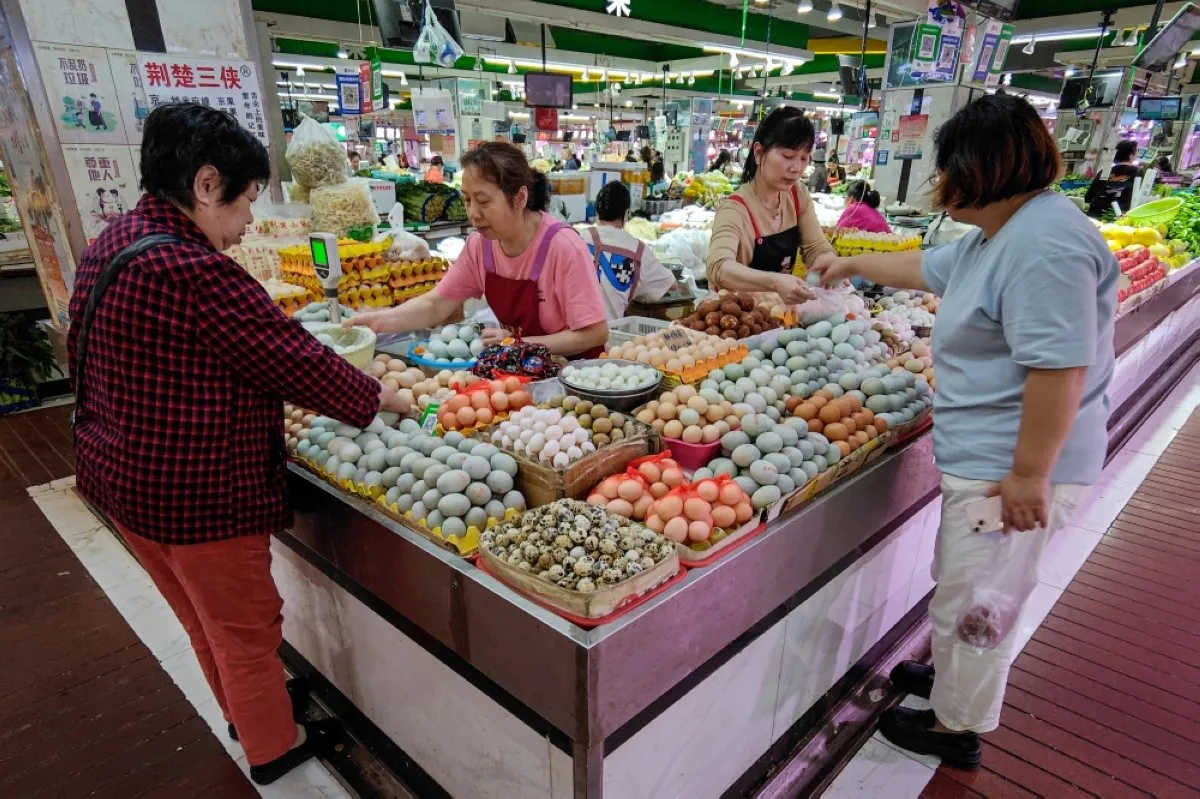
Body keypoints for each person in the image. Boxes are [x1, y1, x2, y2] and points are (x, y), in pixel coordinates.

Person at [66, 104, 409, 785]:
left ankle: (240, 715)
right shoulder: (195, 270)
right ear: (206, 184)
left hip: (124, 479)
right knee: (247, 632)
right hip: (197, 494)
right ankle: (273, 747)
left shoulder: (115, 240)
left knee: (200, 620)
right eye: (249, 200)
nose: (251, 220)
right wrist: (380, 398)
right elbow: (292, 360)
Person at [814, 93, 1115, 772]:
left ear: (983, 170)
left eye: (949, 171)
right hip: (990, 457)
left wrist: (1030, 475)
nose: (941, 186)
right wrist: (852, 264)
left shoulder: (1046, 247)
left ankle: (957, 726)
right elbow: (927, 268)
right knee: (958, 578)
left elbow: (1059, 369)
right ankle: (951, 676)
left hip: (1014, 466)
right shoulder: (1003, 235)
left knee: (983, 597)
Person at [346, 141, 608, 357]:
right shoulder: (480, 246)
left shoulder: (562, 247)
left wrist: (520, 343)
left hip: (574, 378)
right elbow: (436, 304)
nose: (473, 213)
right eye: (467, 200)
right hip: (522, 369)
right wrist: (378, 321)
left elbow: (595, 333)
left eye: (483, 201)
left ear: (520, 198)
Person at [707, 107, 832, 304]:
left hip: (779, 315)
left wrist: (829, 263)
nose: (796, 168)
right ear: (758, 152)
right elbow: (719, 267)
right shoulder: (735, 209)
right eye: (787, 156)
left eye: (803, 158)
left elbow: (815, 246)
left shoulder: (797, 194)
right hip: (738, 317)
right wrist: (774, 282)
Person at [584, 181, 678, 321]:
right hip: (609, 336)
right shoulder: (637, 250)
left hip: (567, 336)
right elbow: (672, 285)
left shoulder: (575, 238)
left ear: (597, 211)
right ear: (626, 214)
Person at [1084, 139, 1139, 217]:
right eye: (1137, 152)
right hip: (1122, 217)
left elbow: (1088, 197)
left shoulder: (1104, 172)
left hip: (1096, 214)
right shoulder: (1137, 173)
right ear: (1130, 156)